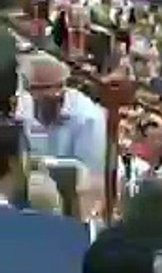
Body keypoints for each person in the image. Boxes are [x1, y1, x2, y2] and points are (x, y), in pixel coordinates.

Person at [17, 53, 106, 218]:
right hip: (30, 194)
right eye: (32, 90)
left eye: (44, 89)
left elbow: (92, 177)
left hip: (76, 198)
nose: (37, 97)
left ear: (61, 87)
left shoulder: (88, 117)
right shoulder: (22, 109)